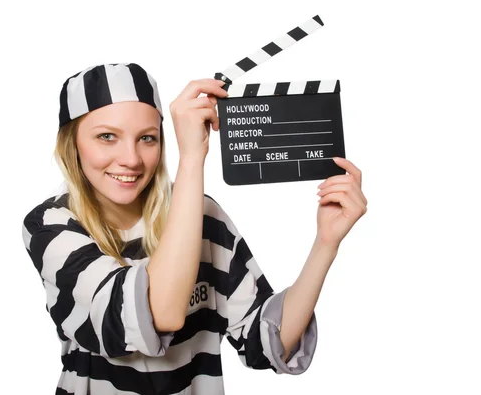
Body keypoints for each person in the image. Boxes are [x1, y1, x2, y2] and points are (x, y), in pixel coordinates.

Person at [21, 63, 368, 395]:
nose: (130, 158)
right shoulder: (50, 226)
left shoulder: (202, 214)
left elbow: (267, 343)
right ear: (73, 145)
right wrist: (192, 159)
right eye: (107, 136)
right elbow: (159, 314)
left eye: (147, 138)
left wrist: (326, 242)